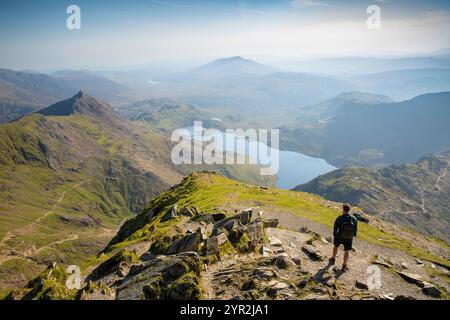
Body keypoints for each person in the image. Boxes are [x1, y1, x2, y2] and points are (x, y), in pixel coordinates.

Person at [329, 203, 357, 271]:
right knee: (346, 251)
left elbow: (335, 228)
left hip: (340, 236)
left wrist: (335, 234)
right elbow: (355, 229)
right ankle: (344, 265)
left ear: (343, 209)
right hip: (349, 238)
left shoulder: (340, 218)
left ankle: (333, 259)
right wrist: (352, 236)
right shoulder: (354, 218)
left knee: (336, 246)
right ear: (349, 210)